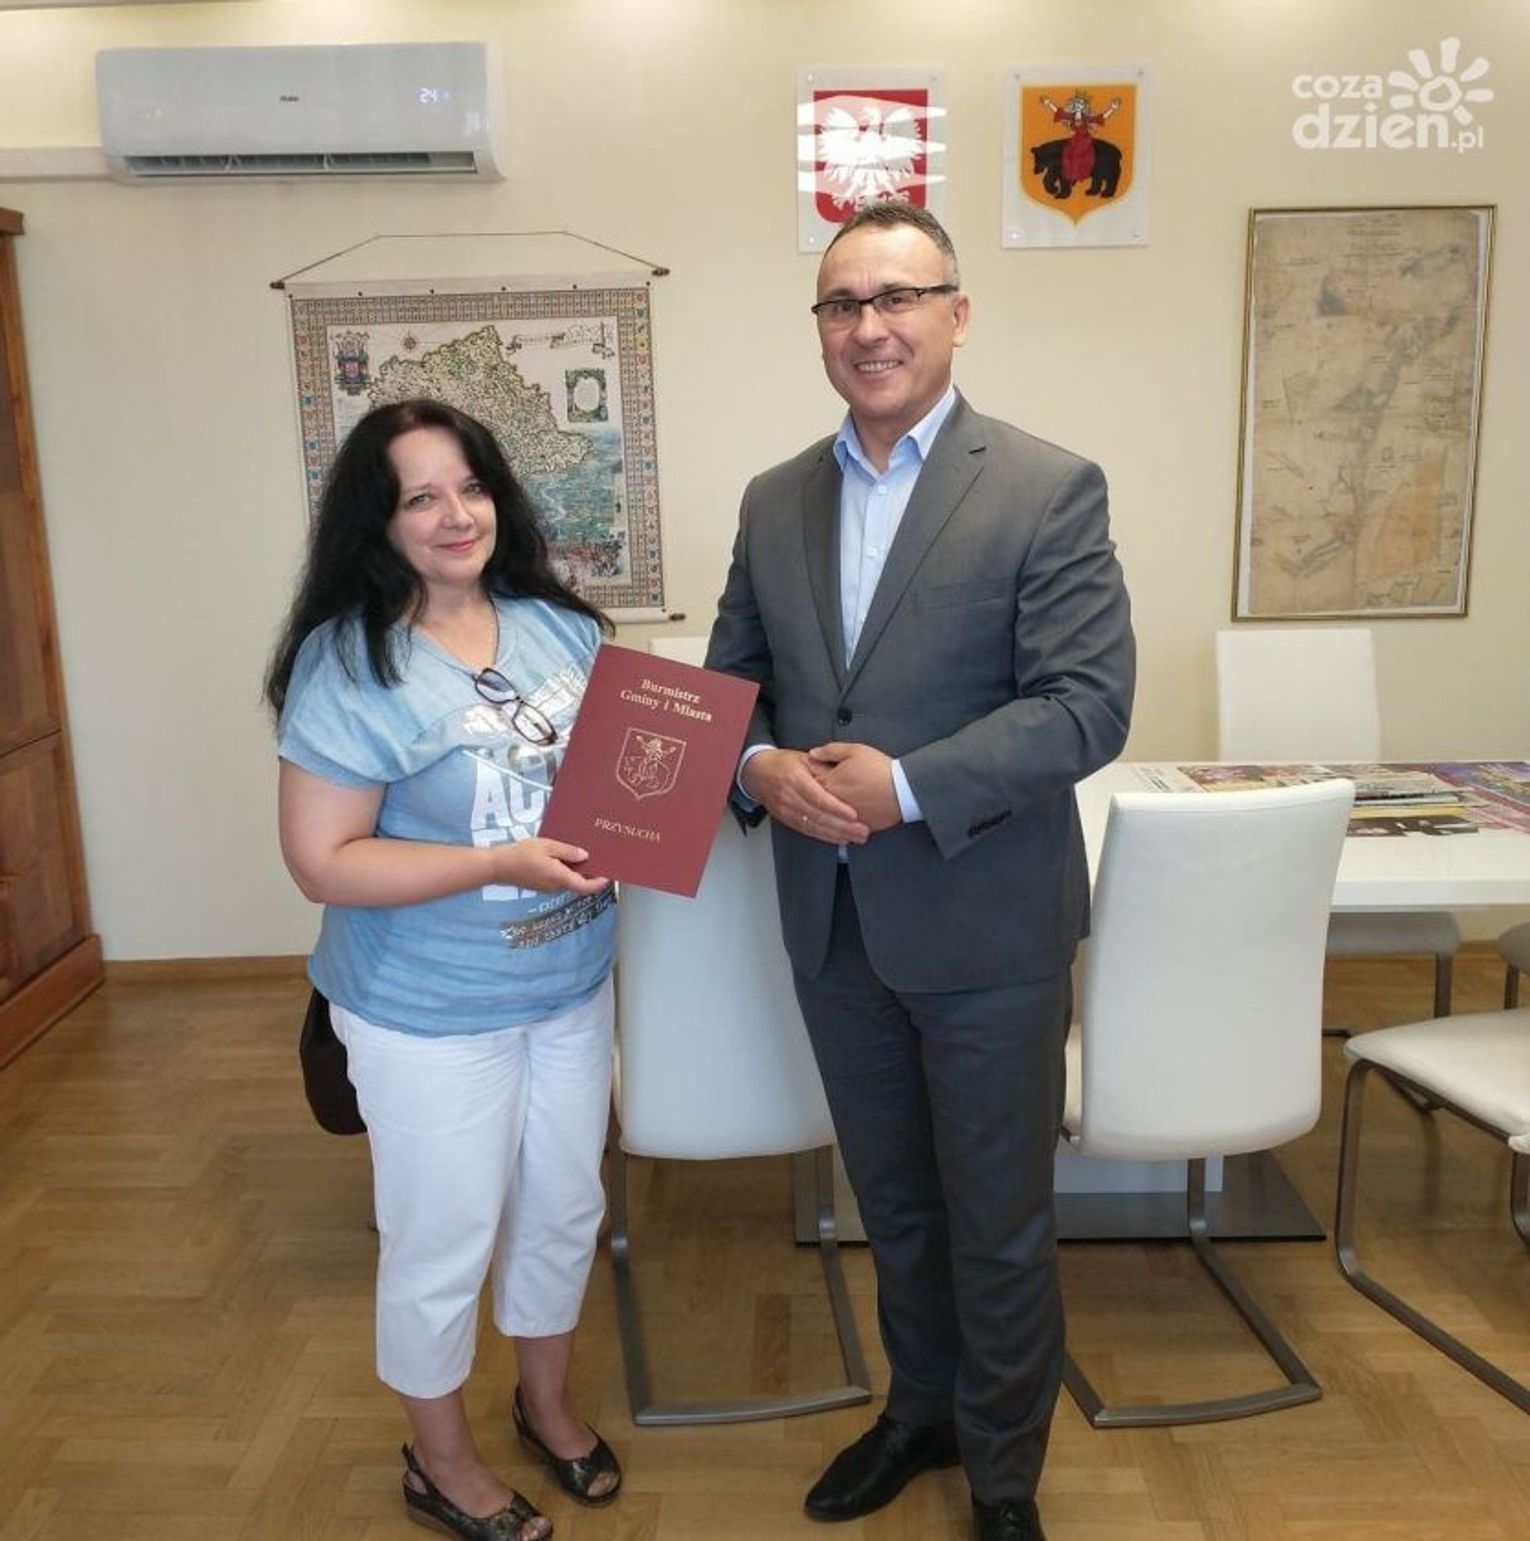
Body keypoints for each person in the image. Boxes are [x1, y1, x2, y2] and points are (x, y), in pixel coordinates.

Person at [704, 204, 1134, 1541]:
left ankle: (1003, 1477)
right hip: (835, 926)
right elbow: (729, 683)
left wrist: (905, 785)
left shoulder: (1046, 486)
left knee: (996, 1219)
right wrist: (757, 763)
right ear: (820, 329)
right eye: (842, 304)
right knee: (890, 1202)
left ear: (957, 311)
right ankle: (921, 1410)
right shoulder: (774, 498)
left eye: (898, 296)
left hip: (988, 926)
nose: (870, 326)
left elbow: (1085, 706)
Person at [265, 398, 623, 1541]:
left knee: (563, 1207)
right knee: (443, 1236)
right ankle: (441, 1459)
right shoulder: (349, 662)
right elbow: (323, 861)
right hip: (427, 1014)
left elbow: (612, 784)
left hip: (570, 989)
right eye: (420, 496)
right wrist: (498, 861)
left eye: (469, 486)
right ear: (377, 520)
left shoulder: (557, 626)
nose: (455, 514)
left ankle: (545, 1403)